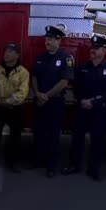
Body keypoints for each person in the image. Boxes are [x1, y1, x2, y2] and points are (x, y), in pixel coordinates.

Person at [62, 35, 106, 181]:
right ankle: (74, 165)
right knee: (77, 139)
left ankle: (94, 169)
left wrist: (93, 101)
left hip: (99, 110)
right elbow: (76, 87)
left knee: (97, 141)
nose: (93, 50)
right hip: (82, 108)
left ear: (104, 50)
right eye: (92, 48)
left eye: (97, 48)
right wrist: (82, 100)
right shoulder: (82, 67)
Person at [31, 26, 74, 178]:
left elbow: (64, 82)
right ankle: (38, 160)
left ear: (58, 40)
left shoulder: (65, 58)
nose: (46, 41)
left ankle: (51, 166)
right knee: (39, 133)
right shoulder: (41, 57)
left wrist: (46, 96)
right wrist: (37, 93)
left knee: (54, 135)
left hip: (55, 102)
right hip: (40, 100)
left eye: (50, 39)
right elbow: (34, 76)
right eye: (46, 39)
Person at [0, 44, 30, 173]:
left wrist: (7, 102)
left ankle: (14, 162)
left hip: (14, 109)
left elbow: (22, 93)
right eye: (5, 51)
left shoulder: (23, 72)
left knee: (15, 137)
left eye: (10, 52)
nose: (6, 54)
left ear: (17, 55)